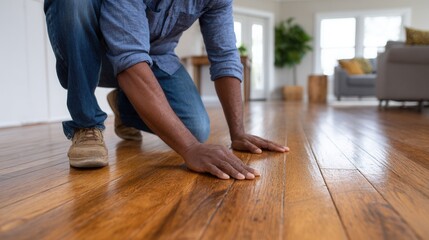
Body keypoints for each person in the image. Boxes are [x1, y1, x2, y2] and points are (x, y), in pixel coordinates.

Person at [44, 0, 289, 180]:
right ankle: (86, 123)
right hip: (95, 50)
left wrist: (238, 132)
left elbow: (224, 56)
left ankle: (124, 103)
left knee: (195, 127)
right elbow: (129, 58)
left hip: (155, 57)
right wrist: (189, 149)